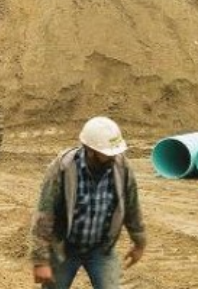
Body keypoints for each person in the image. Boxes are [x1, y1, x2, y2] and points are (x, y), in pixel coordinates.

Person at [29, 116, 146, 289]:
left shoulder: (122, 168)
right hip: (64, 248)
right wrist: (40, 260)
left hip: (101, 249)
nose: (114, 157)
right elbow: (45, 214)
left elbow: (132, 205)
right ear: (90, 150)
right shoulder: (63, 168)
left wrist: (139, 242)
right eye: (108, 153)